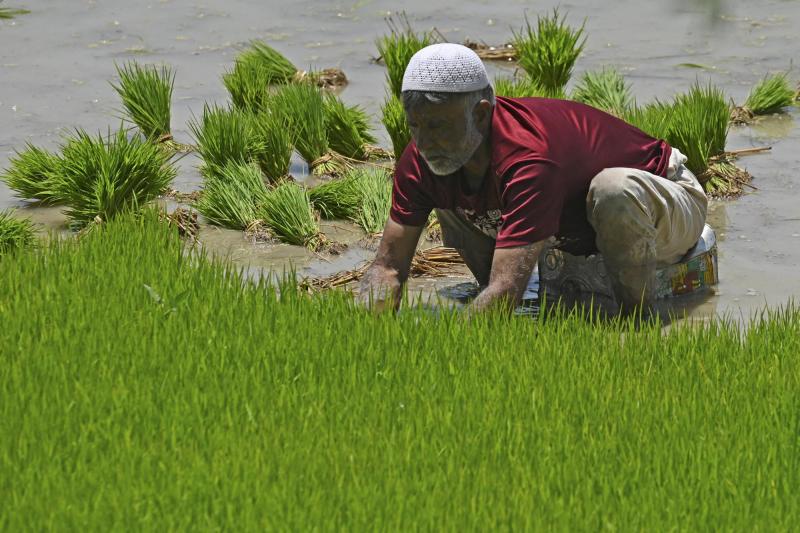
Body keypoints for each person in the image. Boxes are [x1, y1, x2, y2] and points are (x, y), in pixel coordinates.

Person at [358, 43, 707, 315]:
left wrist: (450, 352)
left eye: (439, 126)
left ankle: (637, 322)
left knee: (612, 190)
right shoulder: (421, 158)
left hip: (668, 199)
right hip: (575, 230)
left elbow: (505, 288)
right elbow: (387, 267)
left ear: (481, 114)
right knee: (445, 185)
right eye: (415, 125)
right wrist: (370, 335)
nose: (424, 142)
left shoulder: (529, 157)